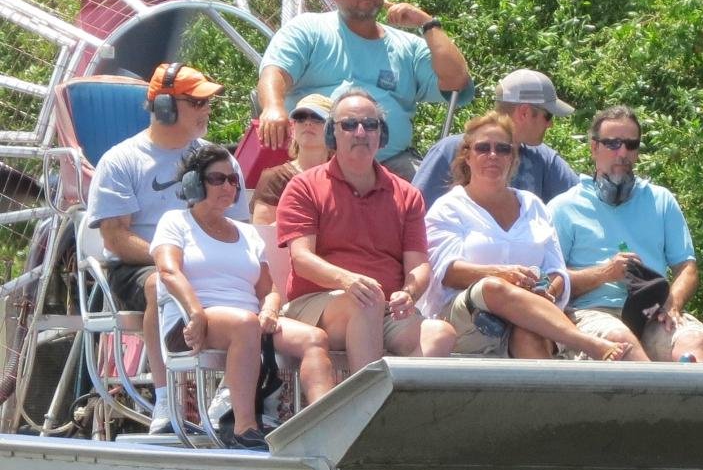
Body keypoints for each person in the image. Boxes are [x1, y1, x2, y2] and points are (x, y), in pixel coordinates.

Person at [85, 62, 250, 433]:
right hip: (140, 267)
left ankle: (243, 399)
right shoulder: (122, 159)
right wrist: (173, 258)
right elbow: (115, 238)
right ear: (164, 107)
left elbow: (240, 226)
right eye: (197, 102)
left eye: (207, 102)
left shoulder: (219, 161)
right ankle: (166, 398)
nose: (207, 110)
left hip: (209, 264)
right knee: (160, 284)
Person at [151, 144, 335, 450]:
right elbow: (169, 272)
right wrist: (195, 311)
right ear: (194, 183)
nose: (228, 186)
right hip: (193, 320)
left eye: (233, 180)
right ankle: (244, 427)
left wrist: (272, 311)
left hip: (249, 321)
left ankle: (324, 429)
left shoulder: (247, 233)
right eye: (217, 179)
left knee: (315, 338)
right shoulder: (175, 222)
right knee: (245, 325)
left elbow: (269, 289)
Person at [421, 112, 630, 361]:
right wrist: (502, 274)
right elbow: (446, 272)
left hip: (529, 315)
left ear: (513, 157)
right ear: (467, 155)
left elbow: (556, 270)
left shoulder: (533, 205)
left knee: (527, 335)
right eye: (483, 148)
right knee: (492, 286)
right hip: (467, 318)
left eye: (503, 149)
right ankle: (588, 343)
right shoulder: (449, 207)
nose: (493, 155)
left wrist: (548, 290)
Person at [275, 88, 456, 372]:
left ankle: (400, 409)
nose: (360, 132)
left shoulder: (407, 194)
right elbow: (302, 259)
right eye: (349, 124)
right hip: (317, 306)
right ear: (332, 135)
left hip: (383, 309)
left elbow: (419, 266)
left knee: (440, 333)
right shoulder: (303, 187)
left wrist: (408, 293)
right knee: (368, 301)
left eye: (370, 125)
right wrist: (347, 281)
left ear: (381, 135)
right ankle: (368, 408)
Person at [256, 0, 473, 180]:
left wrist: (427, 23)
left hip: (391, 163)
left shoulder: (408, 46)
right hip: (315, 163)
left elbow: (457, 82)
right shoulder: (309, 29)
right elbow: (274, 71)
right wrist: (272, 107)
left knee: (435, 194)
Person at [548, 106, 703, 363]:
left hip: (652, 311)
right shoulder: (563, 207)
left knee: (694, 341)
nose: (622, 153)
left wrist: (672, 303)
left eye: (631, 144)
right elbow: (551, 282)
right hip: (592, 312)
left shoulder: (660, 199)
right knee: (621, 340)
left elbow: (687, 267)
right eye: (613, 144)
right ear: (594, 148)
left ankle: (693, 399)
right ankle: (660, 399)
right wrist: (605, 273)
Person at [412, 68, 578, 208]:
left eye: (503, 150)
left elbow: (580, 199)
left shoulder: (545, 160)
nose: (550, 125)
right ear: (524, 112)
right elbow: (415, 213)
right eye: (548, 116)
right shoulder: (449, 150)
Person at [249, 94, 332, 225]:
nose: (308, 123)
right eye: (300, 117)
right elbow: (262, 236)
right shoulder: (275, 178)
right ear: (293, 127)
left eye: (317, 118)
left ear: (332, 130)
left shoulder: (344, 176)